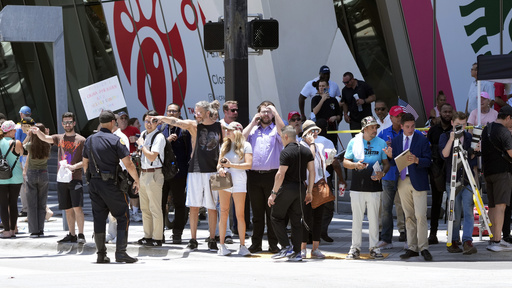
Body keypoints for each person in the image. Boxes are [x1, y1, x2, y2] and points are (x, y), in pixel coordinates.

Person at [154, 100, 222, 252]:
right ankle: (193, 239)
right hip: (195, 170)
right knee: (194, 206)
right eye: (195, 111)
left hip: (214, 171)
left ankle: (212, 238)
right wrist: (161, 117)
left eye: (199, 112)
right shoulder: (193, 125)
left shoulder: (220, 127)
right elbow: (176, 121)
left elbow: (226, 145)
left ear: (207, 113)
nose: (196, 114)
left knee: (212, 206)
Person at [82, 110, 140, 263]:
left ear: (100, 122)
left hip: (94, 184)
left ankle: (101, 254)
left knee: (99, 218)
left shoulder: (90, 140)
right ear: (113, 122)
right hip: (111, 184)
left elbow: (85, 163)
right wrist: (137, 180)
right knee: (123, 216)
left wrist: (90, 179)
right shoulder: (115, 140)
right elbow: (128, 164)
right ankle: (121, 252)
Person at [385, 113, 433, 261]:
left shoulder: (422, 139)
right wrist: (389, 156)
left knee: (420, 216)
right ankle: (412, 247)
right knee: (409, 217)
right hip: (402, 180)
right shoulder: (397, 140)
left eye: (413, 126)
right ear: (402, 126)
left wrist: (418, 160)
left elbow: (429, 161)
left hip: (418, 180)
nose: (411, 129)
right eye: (407, 127)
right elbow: (394, 164)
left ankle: (423, 247)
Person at [33, 112, 86, 244]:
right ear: (62, 124)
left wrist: (74, 167)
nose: (67, 124)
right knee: (67, 208)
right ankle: (71, 234)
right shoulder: (59, 137)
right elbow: (45, 138)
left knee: (77, 207)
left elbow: (86, 160)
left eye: (70, 122)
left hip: (76, 177)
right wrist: (36, 132)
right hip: (62, 178)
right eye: (65, 122)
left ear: (74, 123)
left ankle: (81, 234)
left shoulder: (81, 140)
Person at [242, 101, 285, 253]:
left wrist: (277, 113)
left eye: (269, 111)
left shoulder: (276, 130)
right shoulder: (253, 130)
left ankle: (273, 244)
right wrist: (253, 122)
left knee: (272, 212)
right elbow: (240, 139)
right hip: (254, 176)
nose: (266, 114)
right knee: (257, 212)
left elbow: (284, 134)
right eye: (263, 111)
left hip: (272, 176)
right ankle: (256, 243)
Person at [343, 116, 389, 259]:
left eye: (376, 127)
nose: (375, 130)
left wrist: (383, 173)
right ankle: (355, 248)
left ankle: (374, 248)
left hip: (374, 185)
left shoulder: (381, 142)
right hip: (357, 185)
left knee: (374, 219)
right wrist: (355, 165)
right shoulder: (354, 142)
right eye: (372, 127)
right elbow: (345, 162)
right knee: (356, 218)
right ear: (364, 129)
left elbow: (386, 163)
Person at [268, 125, 315, 262]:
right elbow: (312, 172)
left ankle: (285, 247)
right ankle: (297, 252)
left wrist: (273, 193)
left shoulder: (286, 152)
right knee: (296, 221)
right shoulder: (306, 151)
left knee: (276, 216)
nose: (282, 140)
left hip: (287, 187)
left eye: (282, 138)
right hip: (301, 188)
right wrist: (309, 191)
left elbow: (280, 174)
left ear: (286, 137)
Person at [439, 112, 478, 254]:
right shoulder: (445, 136)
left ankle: (467, 240)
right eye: (457, 125)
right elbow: (444, 154)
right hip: (452, 180)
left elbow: (473, 160)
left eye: (463, 125)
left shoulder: (469, 137)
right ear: (452, 124)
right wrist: (451, 139)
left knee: (468, 211)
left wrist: (474, 151)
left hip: (467, 180)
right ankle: (454, 240)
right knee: (454, 213)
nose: (460, 128)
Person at [216, 121, 252, 256]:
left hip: (239, 181)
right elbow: (218, 164)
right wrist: (220, 169)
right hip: (225, 180)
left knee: (240, 214)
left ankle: (242, 246)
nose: (227, 132)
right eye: (226, 129)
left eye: (229, 130)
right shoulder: (224, 145)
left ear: (237, 131)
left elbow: (249, 165)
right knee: (224, 211)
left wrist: (232, 165)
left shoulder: (246, 145)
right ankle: (222, 245)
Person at [159, 103, 191, 244]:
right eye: (169, 111)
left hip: (179, 173)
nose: (171, 113)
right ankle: (159, 232)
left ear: (179, 114)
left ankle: (177, 233)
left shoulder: (185, 130)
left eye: (174, 111)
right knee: (160, 203)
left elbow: (190, 151)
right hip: (163, 172)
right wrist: (166, 141)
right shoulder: (161, 128)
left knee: (179, 203)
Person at [481, 106, 512, 252]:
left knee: (493, 207)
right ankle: (498, 241)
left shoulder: (487, 129)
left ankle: (494, 239)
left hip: (488, 172)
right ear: (508, 118)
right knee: (501, 207)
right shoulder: (504, 131)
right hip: (502, 173)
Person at [299, 120, 331, 259]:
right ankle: (303, 248)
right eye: (311, 132)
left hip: (318, 184)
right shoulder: (301, 146)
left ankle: (315, 248)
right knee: (305, 218)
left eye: (316, 131)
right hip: (306, 186)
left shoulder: (319, 145)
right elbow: (309, 159)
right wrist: (311, 143)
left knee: (318, 218)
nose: (315, 134)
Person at [377, 106, 407, 249]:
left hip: (404, 174)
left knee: (406, 207)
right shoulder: (383, 133)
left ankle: (408, 236)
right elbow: (376, 151)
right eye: (397, 116)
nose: (400, 117)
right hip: (389, 174)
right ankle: (386, 238)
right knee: (386, 208)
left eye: (402, 115)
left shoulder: (409, 131)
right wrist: (384, 149)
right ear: (391, 117)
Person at [134, 110, 165, 247]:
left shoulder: (159, 137)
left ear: (158, 122)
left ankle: (157, 238)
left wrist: (141, 145)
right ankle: (148, 236)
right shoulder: (143, 134)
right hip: (143, 173)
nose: (149, 124)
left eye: (153, 121)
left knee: (155, 208)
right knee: (145, 208)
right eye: (147, 121)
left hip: (154, 173)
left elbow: (152, 156)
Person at [426, 103, 453, 245]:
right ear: (440, 113)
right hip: (436, 170)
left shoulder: (455, 130)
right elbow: (427, 148)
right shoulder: (433, 130)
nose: (447, 114)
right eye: (445, 111)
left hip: (452, 168)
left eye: (449, 112)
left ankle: (453, 234)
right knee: (436, 202)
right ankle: (433, 233)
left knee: (453, 202)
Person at [24, 123, 51, 237]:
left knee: (32, 203)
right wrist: (46, 134)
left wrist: (29, 135)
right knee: (42, 203)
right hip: (44, 173)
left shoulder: (30, 145)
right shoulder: (47, 145)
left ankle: (34, 230)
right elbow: (48, 140)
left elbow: (23, 145)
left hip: (32, 173)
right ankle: (41, 229)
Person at [0, 121, 24, 238]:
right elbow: (23, 153)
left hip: (1, 178)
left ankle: (6, 231)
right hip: (16, 177)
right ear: (9, 131)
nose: (16, 131)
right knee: (13, 203)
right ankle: (13, 230)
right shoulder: (16, 143)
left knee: (3, 204)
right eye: (14, 130)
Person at [311, 79, 341, 146]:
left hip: (332, 128)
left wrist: (335, 117)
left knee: (333, 147)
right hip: (320, 129)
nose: (321, 88)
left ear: (328, 87)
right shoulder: (315, 99)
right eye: (320, 86)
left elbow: (339, 115)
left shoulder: (333, 100)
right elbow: (315, 111)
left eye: (323, 86)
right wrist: (322, 99)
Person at [16, 116, 35, 219]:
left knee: (28, 188)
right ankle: (28, 210)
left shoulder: (34, 135)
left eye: (23, 126)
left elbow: (25, 152)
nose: (21, 128)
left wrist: (25, 168)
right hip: (25, 165)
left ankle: (44, 210)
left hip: (30, 166)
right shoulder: (29, 134)